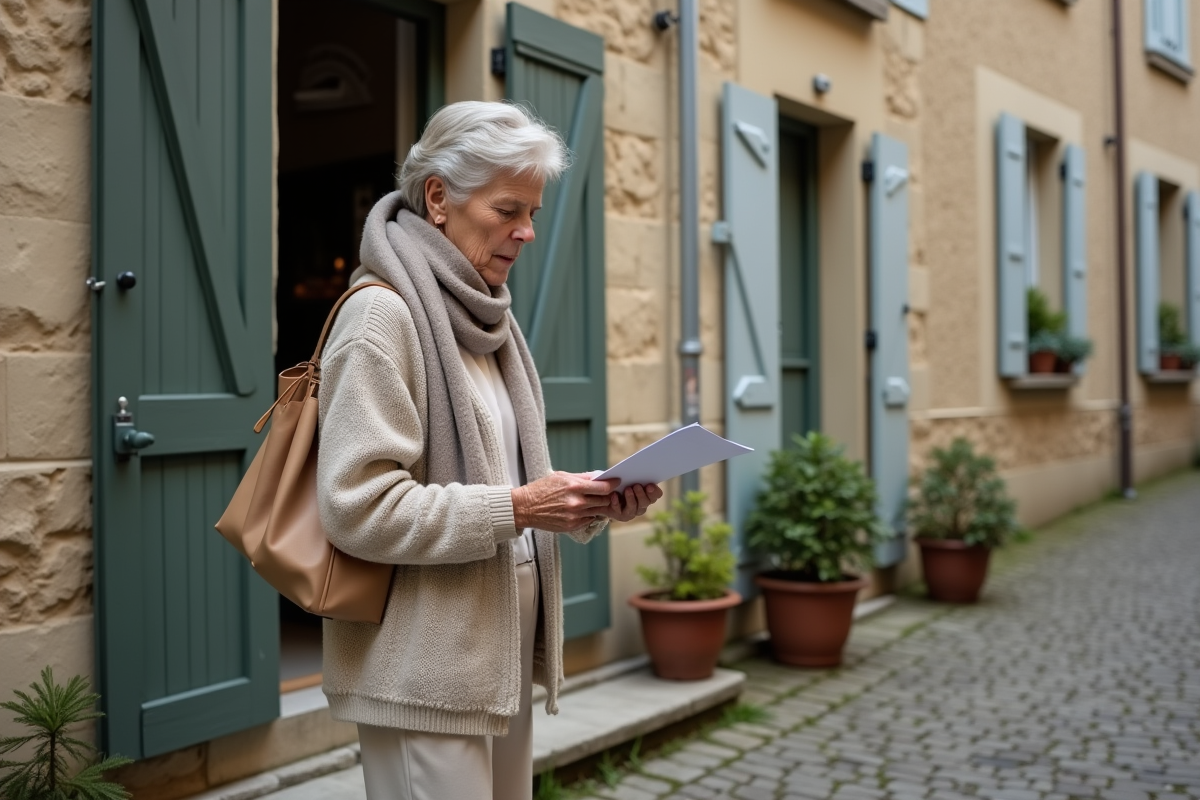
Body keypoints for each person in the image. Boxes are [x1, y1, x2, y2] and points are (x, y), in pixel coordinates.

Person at [316, 101, 664, 800]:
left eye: (532, 212)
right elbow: (358, 508)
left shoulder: (486, 317)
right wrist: (522, 507)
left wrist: (587, 502)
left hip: (492, 659)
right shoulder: (382, 316)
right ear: (438, 198)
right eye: (508, 210)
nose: (527, 231)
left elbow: (510, 484)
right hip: (420, 674)